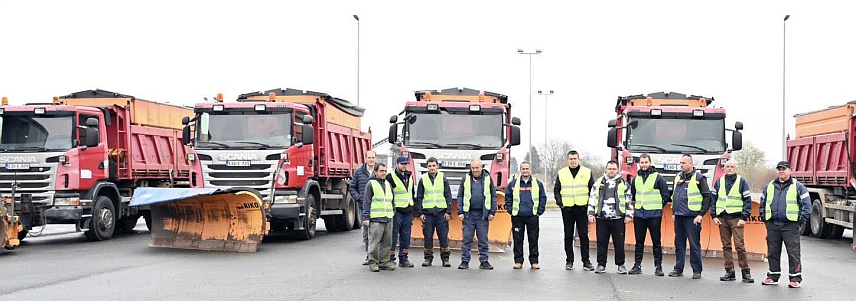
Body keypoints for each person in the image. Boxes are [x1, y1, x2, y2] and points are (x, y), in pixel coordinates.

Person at [759, 161, 811, 288]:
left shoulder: (798, 186)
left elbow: (807, 206)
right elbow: (762, 203)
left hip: (790, 226)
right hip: (773, 225)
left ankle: (795, 278)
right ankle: (772, 276)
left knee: (793, 253)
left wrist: (799, 222)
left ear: (790, 171)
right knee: (772, 252)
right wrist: (765, 219)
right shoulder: (769, 186)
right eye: (779, 169)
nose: (781, 171)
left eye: (784, 169)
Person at [711, 160, 754, 283]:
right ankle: (729, 271)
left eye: (732, 167)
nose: (729, 168)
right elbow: (713, 199)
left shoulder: (742, 181)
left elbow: (747, 201)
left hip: (736, 219)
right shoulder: (719, 182)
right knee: (726, 246)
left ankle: (746, 272)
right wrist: (714, 216)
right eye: (727, 166)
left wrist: (744, 218)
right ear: (724, 168)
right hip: (722, 218)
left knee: (740, 246)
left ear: (736, 168)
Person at [669, 154, 712, 279]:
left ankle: (697, 270)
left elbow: (707, 197)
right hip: (679, 216)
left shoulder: (699, 178)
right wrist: (673, 213)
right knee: (679, 244)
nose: (681, 165)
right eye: (680, 163)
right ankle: (678, 268)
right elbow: (674, 196)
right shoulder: (677, 177)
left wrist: (701, 215)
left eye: (684, 163)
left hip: (692, 217)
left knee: (694, 244)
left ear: (691, 164)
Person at [587, 161, 634, 274]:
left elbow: (628, 200)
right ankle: (601, 264)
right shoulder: (599, 182)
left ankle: (621, 265)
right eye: (610, 169)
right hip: (602, 218)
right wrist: (591, 213)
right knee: (602, 242)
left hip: (618, 218)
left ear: (617, 170)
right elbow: (592, 198)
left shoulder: (623, 183)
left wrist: (629, 215)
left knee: (619, 243)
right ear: (606, 169)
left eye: (614, 169)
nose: (611, 171)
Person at [629, 154, 670, 276]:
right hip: (640, 214)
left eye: (646, 162)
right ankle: (637, 265)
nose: (644, 165)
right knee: (639, 242)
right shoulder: (636, 178)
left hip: (654, 215)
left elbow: (665, 195)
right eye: (642, 162)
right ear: (639, 164)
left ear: (650, 163)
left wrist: (658, 207)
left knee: (656, 242)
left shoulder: (658, 178)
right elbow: (632, 194)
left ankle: (658, 267)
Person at [554, 150, 595, 271]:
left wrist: (590, 206)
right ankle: (569, 261)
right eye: (570, 159)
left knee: (583, 235)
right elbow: (557, 189)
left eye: (575, 159)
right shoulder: (562, 173)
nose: (573, 161)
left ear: (578, 159)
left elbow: (592, 190)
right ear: (567, 160)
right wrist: (560, 203)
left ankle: (586, 261)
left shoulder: (587, 172)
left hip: (582, 208)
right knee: (568, 235)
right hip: (567, 209)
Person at [505, 161, 547, 269]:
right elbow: (508, 197)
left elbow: (543, 198)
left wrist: (539, 211)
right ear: (520, 170)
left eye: (527, 168)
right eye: (523, 169)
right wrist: (510, 210)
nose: (525, 171)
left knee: (533, 239)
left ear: (530, 169)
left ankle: (534, 261)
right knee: (518, 240)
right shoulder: (513, 184)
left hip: (532, 216)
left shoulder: (538, 184)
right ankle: (518, 261)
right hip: (517, 217)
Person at [457, 158, 497, 270]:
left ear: (481, 167)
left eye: (477, 168)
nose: (475, 170)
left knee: (483, 239)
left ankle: (484, 261)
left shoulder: (488, 179)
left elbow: (493, 196)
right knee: (467, 239)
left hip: (482, 215)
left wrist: (492, 212)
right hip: (468, 215)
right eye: (473, 168)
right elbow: (460, 196)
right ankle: (464, 261)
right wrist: (460, 211)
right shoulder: (466, 178)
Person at [415, 157, 453, 267]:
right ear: (427, 167)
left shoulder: (443, 178)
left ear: (437, 166)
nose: (432, 168)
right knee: (428, 237)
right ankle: (428, 259)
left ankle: (445, 259)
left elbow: (448, 195)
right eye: (430, 166)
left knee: (443, 237)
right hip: (428, 214)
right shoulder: (423, 179)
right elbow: (420, 197)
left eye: (434, 165)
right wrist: (420, 213)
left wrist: (448, 212)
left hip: (441, 213)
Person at [362, 163, 396, 272]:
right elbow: (366, 202)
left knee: (387, 242)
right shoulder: (370, 184)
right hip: (376, 218)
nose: (384, 173)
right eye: (381, 171)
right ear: (376, 172)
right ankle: (373, 262)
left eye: (385, 171)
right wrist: (366, 218)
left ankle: (384, 262)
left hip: (388, 218)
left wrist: (392, 212)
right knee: (374, 242)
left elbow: (392, 200)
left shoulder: (388, 184)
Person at [350, 150, 377, 265]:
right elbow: (352, 188)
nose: (371, 160)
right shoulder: (358, 172)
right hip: (363, 207)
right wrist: (359, 198)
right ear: (365, 159)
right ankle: (368, 255)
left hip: (377, 207)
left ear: (376, 159)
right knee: (366, 233)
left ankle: (377, 256)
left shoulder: (379, 172)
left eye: (373, 157)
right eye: (369, 157)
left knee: (377, 233)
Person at [389, 156, 415, 267]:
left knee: (406, 236)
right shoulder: (390, 177)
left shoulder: (410, 176)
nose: (404, 166)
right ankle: (390, 258)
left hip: (408, 210)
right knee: (393, 236)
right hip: (397, 211)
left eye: (405, 164)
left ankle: (404, 259)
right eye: (402, 164)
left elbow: (412, 193)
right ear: (397, 164)